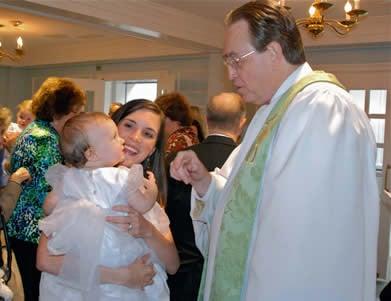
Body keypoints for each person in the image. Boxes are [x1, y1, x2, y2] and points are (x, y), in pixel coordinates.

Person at [170, 2, 379, 301]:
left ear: (273, 52)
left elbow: (300, 246)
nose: (230, 74)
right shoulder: (270, 114)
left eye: (235, 60)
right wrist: (203, 181)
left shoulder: (323, 110)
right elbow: (244, 211)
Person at [36, 99, 179, 297]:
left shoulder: (142, 191)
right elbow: (45, 260)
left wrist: (147, 230)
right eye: (129, 125)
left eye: (148, 134)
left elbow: (172, 265)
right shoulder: (79, 185)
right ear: (112, 125)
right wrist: (123, 277)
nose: (135, 137)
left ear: (153, 149)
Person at [6, 77, 86, 301]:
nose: (78, 117)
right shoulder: (46, 140)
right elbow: (49, 191)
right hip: (31, 231)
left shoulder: (35, 130)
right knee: (34, 292)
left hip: (21, 227)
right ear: (64, 110)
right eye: (77, 111)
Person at [166, 92, 246, 301]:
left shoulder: (173, 160)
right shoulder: (248, 164)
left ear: (206, 120)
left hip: (177, 274)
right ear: (242, 122)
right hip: (223, 276)